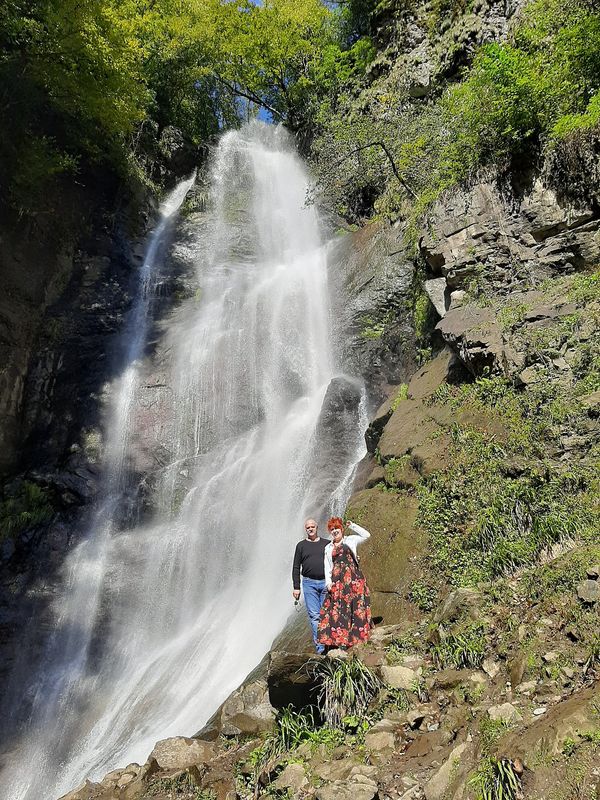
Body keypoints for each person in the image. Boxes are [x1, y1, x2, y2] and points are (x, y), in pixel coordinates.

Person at [317, 517, 372, 650]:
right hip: (338, 582)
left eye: (336, 528)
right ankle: (340, 640)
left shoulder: (350, 540)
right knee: (339, 608)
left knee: (356, 606)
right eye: (332, 529)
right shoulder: (328, 547)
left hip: (354, 579)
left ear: (341, 529)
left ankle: (358, 638)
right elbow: (327, 566)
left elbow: (367, 535)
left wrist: (352, 525)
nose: (335, 531)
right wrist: (328, 583)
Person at [292, 518, 329, 654]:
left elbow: (338, 559)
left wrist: (354, 557)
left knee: (326, 615)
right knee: (314, 616)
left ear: (317, 527)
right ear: (305, 529)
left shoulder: (327, 544)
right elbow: (296, 567)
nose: (310, 529)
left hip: (326, 583)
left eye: (312, 526)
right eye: (308, 527)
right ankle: (320, 648)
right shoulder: (301, 546)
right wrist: (296, 587)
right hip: (309, 584)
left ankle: (328, 643)